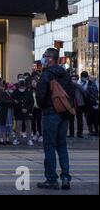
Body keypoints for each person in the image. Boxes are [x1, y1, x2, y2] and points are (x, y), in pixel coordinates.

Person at [36, 48, 75, 190]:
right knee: (62, 146)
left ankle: (51, 179)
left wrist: (43, 106)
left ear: (50, 58)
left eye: (44, 56)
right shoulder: (65, 74)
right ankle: (65, 178)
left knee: (50, 146)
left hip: (50, 113)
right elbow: (71, 93)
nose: (43, 59)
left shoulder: (46, 74)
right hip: (63, 113)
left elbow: (40, 95)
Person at [13, 81, 34, 146]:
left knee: (28, 126)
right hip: (18, 112)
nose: (22, 88)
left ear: (25, 87)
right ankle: (17, 139)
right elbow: (14, 102)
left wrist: (27, 109)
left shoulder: (29, 93)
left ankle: (29, 139)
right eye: (20, 87)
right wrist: (20, 108)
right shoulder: (15, 93)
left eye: (23, 87)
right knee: (18, 126)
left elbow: (31, 102)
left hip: (28, 112)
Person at [30, 78, 43, 142]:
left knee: (39, 122)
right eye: (32, 82)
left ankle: (40, 135)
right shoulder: (30, 90)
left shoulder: (40, 90)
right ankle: (34, 134)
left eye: (34, 82)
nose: (33, 83)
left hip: (39, 108)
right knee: (33, 122)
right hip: (32, 108)